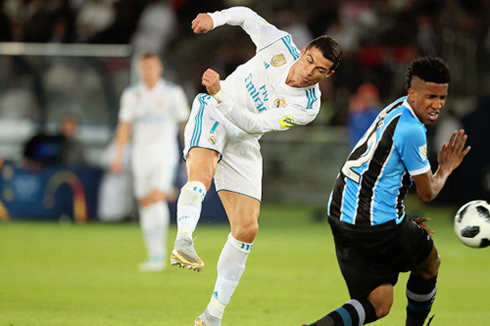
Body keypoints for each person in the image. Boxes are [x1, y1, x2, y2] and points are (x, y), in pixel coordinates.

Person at [168, 6, 342, 326]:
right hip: (212, 114)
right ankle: (184, 239)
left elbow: (254, 123)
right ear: (302, 52)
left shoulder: (306, 106)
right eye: (309, 61)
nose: (309, 72)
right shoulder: (279, 44)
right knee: (203, 174)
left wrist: (222, 93)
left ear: (327, 75)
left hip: (243, 136)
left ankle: (212, 316)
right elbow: (247, 15)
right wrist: (214, 18)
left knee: (247, 228)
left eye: (320, 70)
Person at [303, 56, 470, 326]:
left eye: (442, 97)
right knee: (430, 263)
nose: (437, 104)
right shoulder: (413, 130)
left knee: (378, 303)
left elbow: (379, 171)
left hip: (341, 213)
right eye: (430, 96)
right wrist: (446, 168)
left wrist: (399, 217)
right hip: (374, 222)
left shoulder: (394, 109)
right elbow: (427, 194)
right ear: (412, 93)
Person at [111, 51, 189, 272]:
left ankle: (160, 254)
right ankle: (152, 252)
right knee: (145, 201)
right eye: (144, 67)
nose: (148, 72)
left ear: (159, 68)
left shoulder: (173, 93)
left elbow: (185, 125)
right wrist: (118, 154)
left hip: (164, 153)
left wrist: (189, 153)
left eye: (152, 67)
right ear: (139, 69)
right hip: (140, 155)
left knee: (156, 197)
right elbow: (124, 126)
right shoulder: (131, 94)